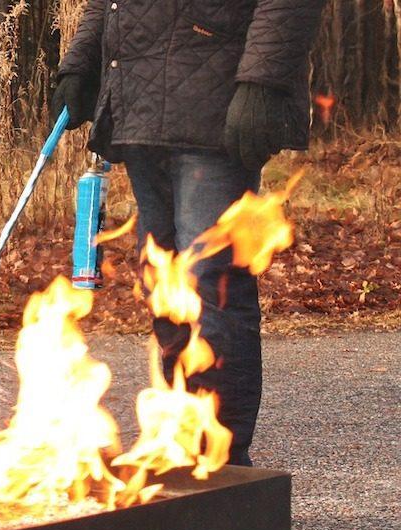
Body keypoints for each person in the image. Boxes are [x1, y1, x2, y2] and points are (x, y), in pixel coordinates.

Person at [52, 0, 325, 466]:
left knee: (210, 286)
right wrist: (79, 65)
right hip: (137, 110)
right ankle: (182, 443)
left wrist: (261, 82)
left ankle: (221, 462)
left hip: (215, 110)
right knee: (164, 290)